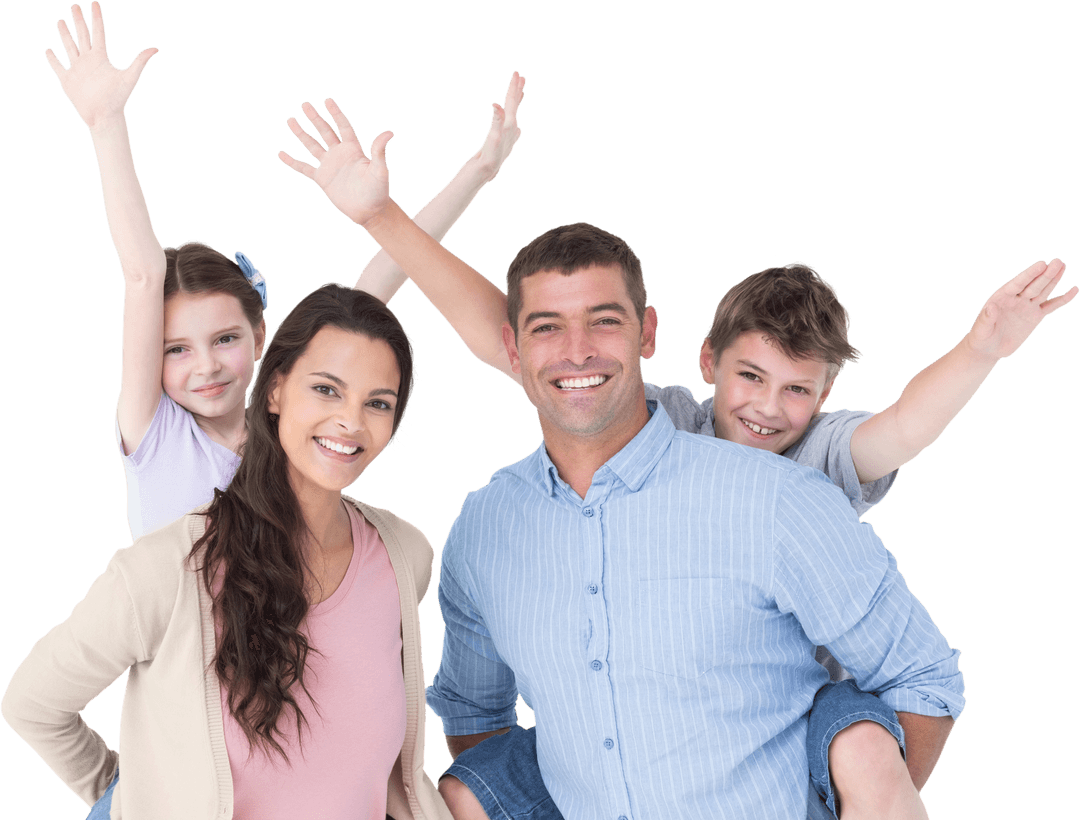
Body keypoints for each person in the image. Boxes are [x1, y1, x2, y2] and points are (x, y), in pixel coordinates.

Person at [277, 104, 966, 818]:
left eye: (604, 321)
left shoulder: (774, 494)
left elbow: (923, 680)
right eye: (547, 329)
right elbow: (476, 722)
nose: (577, 351)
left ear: (648, 333)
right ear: (517, 350)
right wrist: (381, 216)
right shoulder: (485, 528)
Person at [46, 1, 525, 539]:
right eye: (175, 348)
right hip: (175, 627)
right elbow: (141, 274)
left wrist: (477, 172)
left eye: (225, 338)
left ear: (259, 336)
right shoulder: (154, 431)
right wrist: (107, 125)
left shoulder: (292, 426)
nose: (205, 366)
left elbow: (386, 272)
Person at [2, 280, 454, 820]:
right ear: (275, 391)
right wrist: (132, 796)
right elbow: (33, 704)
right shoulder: (169, 569)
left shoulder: (404, 556)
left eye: (377, 403)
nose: (351, 422)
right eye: (327, 390)